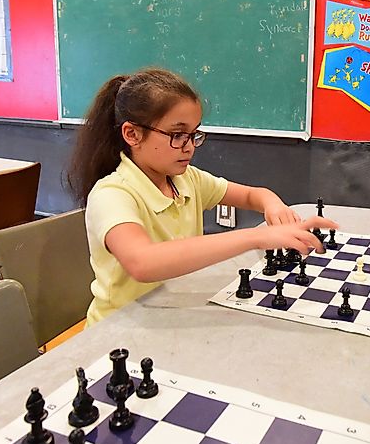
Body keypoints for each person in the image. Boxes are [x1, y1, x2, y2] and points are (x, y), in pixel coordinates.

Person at [67, 68, 336, 325]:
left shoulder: (187, 180)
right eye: (177, 135)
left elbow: (255, 195)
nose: (189, 147)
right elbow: (142, 262)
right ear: (132, 134)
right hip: (120, 330)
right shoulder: (112, 194)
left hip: (175, 313)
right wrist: (255, 236)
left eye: (193, 134)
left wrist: (272, 203)